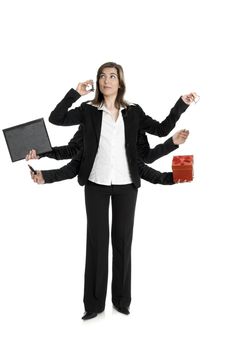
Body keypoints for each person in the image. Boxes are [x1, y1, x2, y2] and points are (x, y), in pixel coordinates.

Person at [40, 61, 197, 320]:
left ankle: (122, 300)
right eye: (102, 76)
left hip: (127, 186)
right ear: (98, 81)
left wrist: (181, 104)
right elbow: (56, 119)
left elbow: (160, 131)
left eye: (112, 76)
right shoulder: (88, 111)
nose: (106, 80)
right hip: (95, 185)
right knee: (97, 244)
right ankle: (93, 305)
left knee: (123, 243)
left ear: (120, 82)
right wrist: (75, 93)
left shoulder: (133, 112)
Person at [26, 127, 189, 184]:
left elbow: (147, 157)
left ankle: (188, 172)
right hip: (95, 185)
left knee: (162, 178)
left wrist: (173, 143)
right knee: (97, 239)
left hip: (127, 182)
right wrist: (41, 156)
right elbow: (71, 155)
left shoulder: (133, 118)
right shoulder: (89, 120)